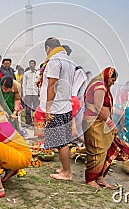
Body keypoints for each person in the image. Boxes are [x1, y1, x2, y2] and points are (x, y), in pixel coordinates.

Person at [83, 67, 129, 188]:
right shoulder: (99, 86)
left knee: (106, 149)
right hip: (94, 123)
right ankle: (90, 179)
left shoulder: (104, 87)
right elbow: (98, 108)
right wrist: (111, 124)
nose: (113, 83)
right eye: (112, 80)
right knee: (96, 151)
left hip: (101, 123)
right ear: (107, 76)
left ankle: (100, 178)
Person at [37, 37, 75, 181]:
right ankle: (64, 168)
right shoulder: (68, 60)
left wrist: (48, 108)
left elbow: (52, 84)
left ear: (48, 48)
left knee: (61, 142)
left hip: (56, 107)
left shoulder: (54, 60)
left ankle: (67, 173)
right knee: (63, 140)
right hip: (65, 105)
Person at [22, 60, 39, 126]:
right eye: (30, 64)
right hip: (28, 92)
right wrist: (24, 94)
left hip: (35, 92)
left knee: (36, 107)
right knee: (28, 108)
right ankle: (28, 122)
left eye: (32, 64)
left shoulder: (38, 73)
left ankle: (36, 120)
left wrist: (39, 93)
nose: (31, 65)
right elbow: (24, 84)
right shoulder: (26, 73)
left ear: (35, 65)